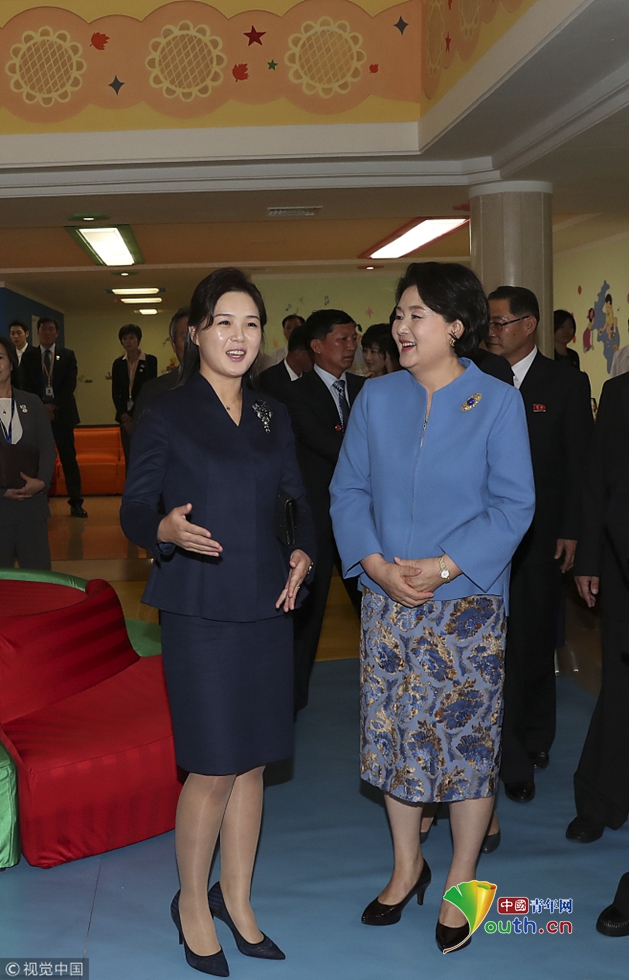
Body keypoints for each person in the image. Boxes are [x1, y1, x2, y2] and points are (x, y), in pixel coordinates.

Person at [330, 262, 534, 955]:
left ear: (455, 326)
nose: (401, 327)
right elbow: (348, 492)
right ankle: (405, 867)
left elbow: (514, 504)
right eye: (398, 314)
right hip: (388, 602)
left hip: (466, 605)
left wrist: (447, 564)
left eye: (416, 314)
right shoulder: (376, 397)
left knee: (466, 746)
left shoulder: (495, 401)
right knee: (394, 741)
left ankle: (462, 879)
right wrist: (377, 566)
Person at [120, 268, 314, 977]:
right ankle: (192, 907)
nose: (239, 336)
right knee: (210, 766)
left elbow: (296, 499)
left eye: (251, 324)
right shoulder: (167, 411)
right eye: (223, 322)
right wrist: (163, 528)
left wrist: (303, 551)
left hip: (266, 605)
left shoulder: (271, 415)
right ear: (196, 333)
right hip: (199, 607)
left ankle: (236, 899)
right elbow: (134, 506)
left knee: (253, 762)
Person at [486, 286, 593, 808]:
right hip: (485, 537)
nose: (492, 332)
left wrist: (572, 529)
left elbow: (579, 464)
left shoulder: (565, 382)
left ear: (528, 325)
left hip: (541, 536)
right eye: (488, 323)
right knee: (495, 647)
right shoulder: (476, 378)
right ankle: (506, 752)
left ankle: (535, 737)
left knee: (533, 641)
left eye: (500, 322)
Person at [283, 308, 365, 712]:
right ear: (317, 346)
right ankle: (290, 701)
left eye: (354, 339)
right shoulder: (294, 395)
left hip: (362, 520)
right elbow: (329, 445)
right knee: (306, 615)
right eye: (341, 339)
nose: (351, 347)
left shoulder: (367, 389)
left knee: (374, 607)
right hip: (316, 518)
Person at [565, 371, 629, 845]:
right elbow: (596, 481)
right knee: (622, 687)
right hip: (622, 563)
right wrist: (588, 560)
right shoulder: (620, 393)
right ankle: (600, 799)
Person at [20, 317, 87, 518]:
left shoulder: (67, 355)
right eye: (43, 329)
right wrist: (41, 408)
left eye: (51, 329)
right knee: (38, 460)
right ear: (38, 333)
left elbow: (70, 385)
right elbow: (24, 384)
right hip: (37, 416)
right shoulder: (29, 356)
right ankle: (40, 501)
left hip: (63, 415)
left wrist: (53, 406)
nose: (47, 333)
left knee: (68, 459)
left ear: (57, 333)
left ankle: (76, 503)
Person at [0, 337, 56, 569]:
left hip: (32, 508)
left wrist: (41, 482)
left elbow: (47, 447)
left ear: (11, 363)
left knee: (38, 579)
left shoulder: (32, 403)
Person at [132, 309, 189, 430]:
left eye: (199, 336)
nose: (193, 343)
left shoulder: (228, 389)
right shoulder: (153, 391)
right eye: (186, 337)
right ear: (173, 345)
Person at [111, 323, 158, 464]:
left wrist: (132, 415)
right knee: (129, 456)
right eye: (125, 339)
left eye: (132, 338)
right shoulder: (118, 363)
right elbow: (115, 391)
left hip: (143, 415)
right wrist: (124, 415)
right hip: (124, 416)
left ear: (139, 340)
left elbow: (149, 390)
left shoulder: (150, 361)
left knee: (145, 455)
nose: (128, 342)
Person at [257, 323, 313, 401]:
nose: (318, 358)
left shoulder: (311, 380)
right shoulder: (266, 381)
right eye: (314, 354)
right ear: (299, 353)